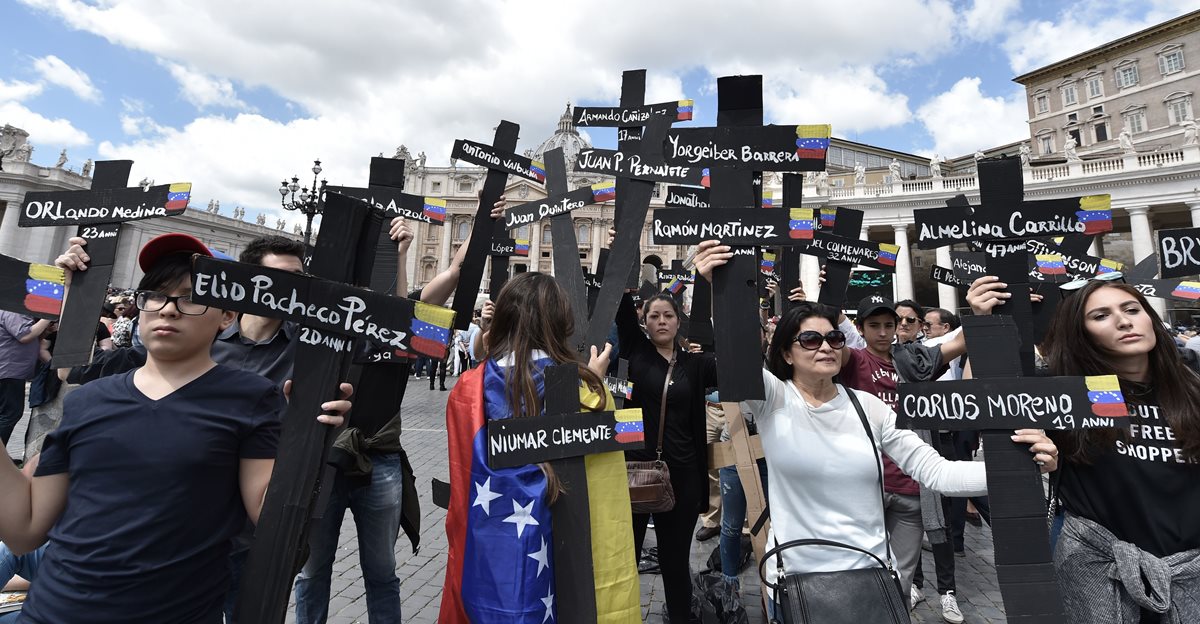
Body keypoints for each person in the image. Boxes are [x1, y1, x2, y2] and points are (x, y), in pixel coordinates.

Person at [0, 233, 351, 623]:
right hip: (54, 611)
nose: (168, 309)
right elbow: (24, 530)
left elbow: (272, 519)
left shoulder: (251, 398)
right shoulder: (87, 401)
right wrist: (76, 293)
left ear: (228, 315)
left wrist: (311, 436)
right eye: (155, 294)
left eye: (190, 297)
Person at [692, 240, 1056, 616]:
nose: (826, 346)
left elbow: (938, 472)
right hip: (796, 582)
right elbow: (736, 352)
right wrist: (718, 289)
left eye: (834, 338)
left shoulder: (870, 408)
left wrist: (1023, 469)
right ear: (787, 352)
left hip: (871, 580)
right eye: (810, 339)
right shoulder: (774, 399)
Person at [296, 196, 508, 624]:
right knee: (312, 571)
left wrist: (481, 219)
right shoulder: (321, 320)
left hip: (381, 458)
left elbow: (455, 271)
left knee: (382, 571)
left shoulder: (406, 320)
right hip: (323, 458)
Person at [968, 275, 1200, 623]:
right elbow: (986, 399)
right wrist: (987, 323)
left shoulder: (1192, 390)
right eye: (1101, 315)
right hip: (1099, 582)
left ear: (1150, 318)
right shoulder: (1066, 392)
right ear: (1081, 333)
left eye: (1132, 309)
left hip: (1189, 579)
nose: (1123, 321)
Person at [439, 272, 638, 623]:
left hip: (487, 550)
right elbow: (606, 481)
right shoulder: (588, 391)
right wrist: (593, 382)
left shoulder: (466, 388)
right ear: (561, 322)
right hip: (565, 557)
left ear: (503, 317)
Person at [616, 289, 718, 623]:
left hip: (683, 477)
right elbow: (619, 304)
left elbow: (738, 360)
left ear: (678, 321)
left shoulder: (695, 363)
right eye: (654, 316)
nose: (661, 321)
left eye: (668, 315)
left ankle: (680, 617)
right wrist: (626, 263)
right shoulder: (634, 350)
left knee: (675, 563)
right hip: (634, 472)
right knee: (625, 560)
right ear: (643, 321)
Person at [0, 311, 50, 449]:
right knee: (10, 414)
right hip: (9, 370)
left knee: (6, 413)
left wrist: (45, 330)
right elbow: (25, 335)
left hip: (10, 371)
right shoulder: (13, 310)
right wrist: (47, 317)